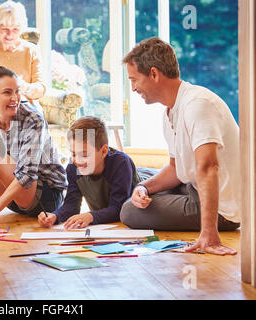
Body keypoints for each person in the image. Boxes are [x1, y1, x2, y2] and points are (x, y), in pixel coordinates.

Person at [120, 37, 240, 256]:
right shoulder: (171, 109)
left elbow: (208, 167)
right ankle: (144, 188)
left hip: (223, 209)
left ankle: (206, 223)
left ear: (154, 74)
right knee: (141, 180)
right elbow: (176, 168)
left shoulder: (197, 105)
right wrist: (144, 188)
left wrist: (209, 233)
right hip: (193, 186)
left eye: (134, 80)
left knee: (129, 211)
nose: (134, 88)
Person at [0, 65, 66, 217]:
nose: (15, 98)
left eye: (17, 91)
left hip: (46, 197)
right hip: (14, 200)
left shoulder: (33, 119)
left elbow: (27, 175)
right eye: (7, 92)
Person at [38, 116, 141, 229]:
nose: (77, 160)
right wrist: (55, 215)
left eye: (85, 155)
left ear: (103, 151)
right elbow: (72, 205)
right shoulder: (73, 167)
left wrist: (90, 216)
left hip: (141, 182)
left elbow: (118, 208)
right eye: (73, 154)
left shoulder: (121, 164)